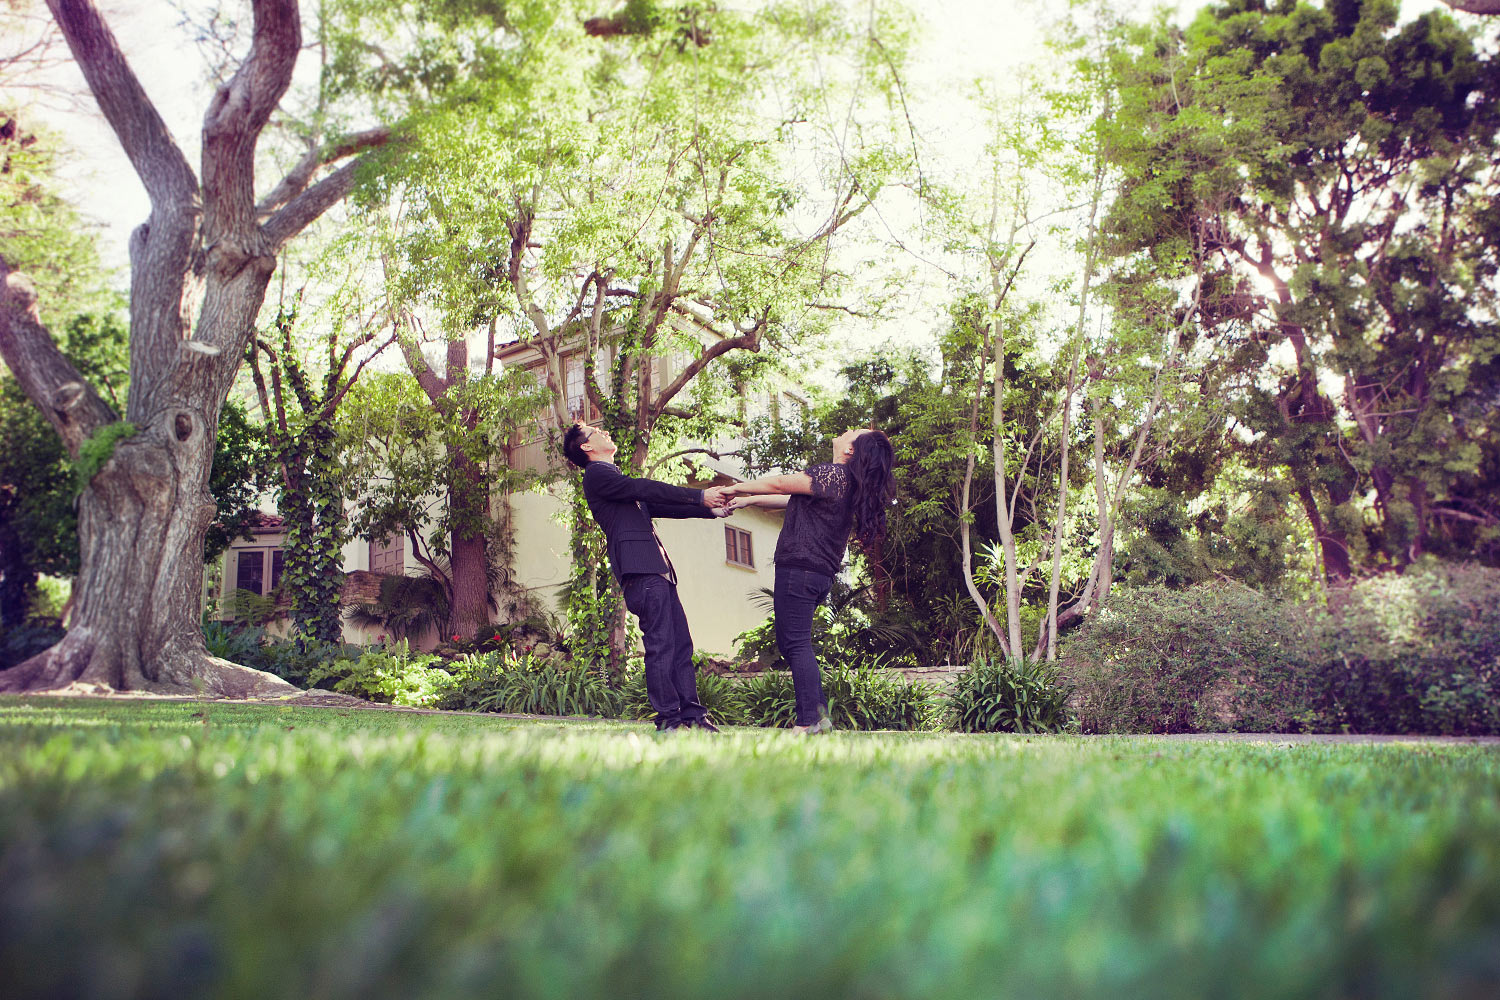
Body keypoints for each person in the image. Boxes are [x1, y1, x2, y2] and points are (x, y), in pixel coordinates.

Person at [722, 428, 895, 734]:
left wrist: (737, 489)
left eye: (853, 432)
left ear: (851, 450)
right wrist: (748, 501)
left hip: (800, 569)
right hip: (817, 574)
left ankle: (811, 720)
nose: (846, 431)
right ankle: (819, 718)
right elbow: (787, 498)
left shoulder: (833, 475)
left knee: (796, 643)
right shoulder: (848, 484)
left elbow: (778, 482)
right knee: (795, 643)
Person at [562, 422, 733, 732]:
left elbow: (655, 503)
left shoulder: (617, 483)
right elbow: (645, 488)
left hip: (659, 571)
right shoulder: (598, 475)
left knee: (681, 645)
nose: (605, 431)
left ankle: (693, 716)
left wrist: (710, 510)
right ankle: (669, 718)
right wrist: (700, 496)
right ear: (587, 447)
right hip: (641, 571)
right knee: (661, 645)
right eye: (596, 431)